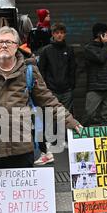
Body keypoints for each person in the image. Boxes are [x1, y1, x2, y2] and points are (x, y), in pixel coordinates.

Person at [0, 26, 82, 169]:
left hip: (20, 149)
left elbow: (48, 101)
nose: (4, 45)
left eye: (9, 42)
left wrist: (72, 122)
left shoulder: (29, 71)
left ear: (17, 46)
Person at [35, 22, 76, 165]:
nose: (59, 35)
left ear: (64, 34)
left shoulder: (69, 50)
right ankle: (50, 142)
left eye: (62, 32)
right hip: (51, 89)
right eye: (56, 32)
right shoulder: (46, 50)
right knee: (50, 116)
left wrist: (71, 85)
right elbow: (41, 70)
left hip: (66, 88)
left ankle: (65, 140)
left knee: (66, 115)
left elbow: (72, 68)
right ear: (52, 34)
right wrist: (45, 88)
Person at [82, 23, 107, 126]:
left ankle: (104, 139)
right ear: (100, 34)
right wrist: (106, 45)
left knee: (106, 116)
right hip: (95, 87)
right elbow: (101, 59)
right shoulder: (89, 48)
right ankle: (82, 137)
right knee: (89, 114)